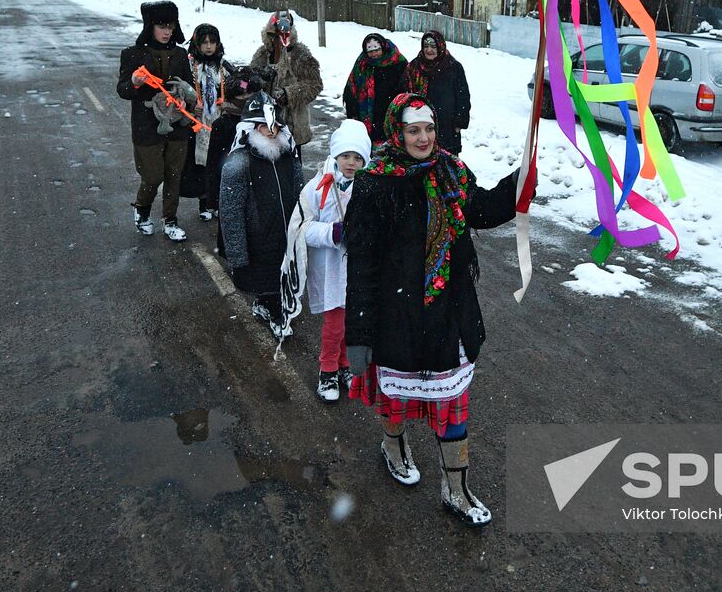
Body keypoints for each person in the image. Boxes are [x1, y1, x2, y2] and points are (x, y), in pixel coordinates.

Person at [344, 93, 526, 528]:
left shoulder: (453, 171)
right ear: (396, 132)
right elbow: (363, 266)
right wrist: (359, 334)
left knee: (453, 407)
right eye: (413, 130)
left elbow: (480, 211)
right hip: (397, 319)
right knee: (396, 398)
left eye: (428, 128)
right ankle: (393, 445)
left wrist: (521, 182)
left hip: (449, 314)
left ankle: (455, 487)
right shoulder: (374, 184)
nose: (423, 137)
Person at [278, 119, 372, 401]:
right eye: (346, 156)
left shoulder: (369, 188)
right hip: (330, 269)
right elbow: (300, 228)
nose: (351, 163)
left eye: (358, 157)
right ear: (335, 155)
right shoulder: (317, 188)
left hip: (357, 270)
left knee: (350, 320)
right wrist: (334, 232)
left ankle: (343, 363)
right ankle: (327, 369)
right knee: (335, 323)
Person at [218, 92, 303, 337]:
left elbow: (300, 193)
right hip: (258, 237)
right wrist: (237, 252)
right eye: (265, 125)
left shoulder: (288, 156)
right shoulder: (240, 162)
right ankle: (274, 311)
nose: (272, 130)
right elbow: (231, 211)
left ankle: (270, 305)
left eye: (275, 125)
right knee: (267, 278)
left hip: (287, 230)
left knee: (284, 275)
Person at [116, 0, 193, 242]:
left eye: (171, 26)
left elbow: (189, 87)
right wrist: (135, 83)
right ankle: (142, 208)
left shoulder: (181, 54)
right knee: (152, 176)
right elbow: (123, 90)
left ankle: (170, 220)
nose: (167, 31)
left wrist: (187, 101)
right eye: (162, 26)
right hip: (146, 127)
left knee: (174, 175)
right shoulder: (132, 54)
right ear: (150, 26)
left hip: (178, 126)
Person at [248, 11, 322, 154]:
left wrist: (288, 94)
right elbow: (250, 80)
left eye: (282, 35)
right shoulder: (262, 54)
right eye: (274, 35)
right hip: (264, 124)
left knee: (291, 170)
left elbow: (314, 85)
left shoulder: (300, 55)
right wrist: (258, 81)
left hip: (292, 125)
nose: (278, 40)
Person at [183, 24, 227, 222]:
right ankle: (204, 202)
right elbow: (182, 92)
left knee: (219, 161)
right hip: (197, 121)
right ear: (197, 44)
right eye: (204, 43)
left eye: (212, 42)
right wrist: (192, 107)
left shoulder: (224, 67)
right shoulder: (190, 66)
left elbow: (235, 89)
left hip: (218, 119)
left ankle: (217, 201)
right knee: (201, 163)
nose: (209, 47)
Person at [401, 30, 471, 155]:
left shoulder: (453, 67)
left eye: (433, 46)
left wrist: (459, 122)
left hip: (447, 124)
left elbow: (463, 96)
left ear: (440, 46)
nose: (429, 50)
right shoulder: (414, 67)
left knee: (446, 161)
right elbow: (403, 93)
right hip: (420, 123)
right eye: (426, 46)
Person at [343, 33, 408, 143]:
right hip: (369, 114)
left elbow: (407, 84)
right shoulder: (362, 64)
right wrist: (353, 112)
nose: (374, 55)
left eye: (377, 50)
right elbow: (352, 87)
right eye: (370, 52)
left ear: (383, 47)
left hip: (391, 109)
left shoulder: (398, 62)